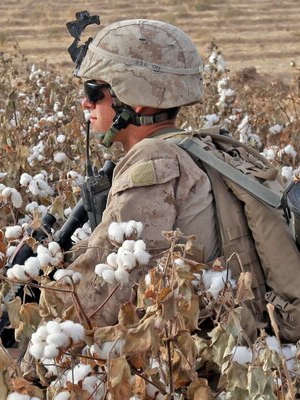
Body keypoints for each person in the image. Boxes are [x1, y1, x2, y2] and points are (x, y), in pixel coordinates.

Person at [65, 19, 220, 326]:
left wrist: (26, 367)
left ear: (133, 99)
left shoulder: (154, 163)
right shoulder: (195, 146)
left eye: (94, 92)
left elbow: (96, 300)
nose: (86, 102)